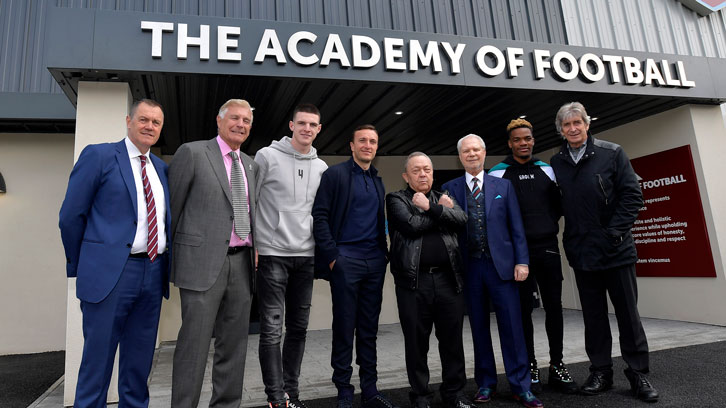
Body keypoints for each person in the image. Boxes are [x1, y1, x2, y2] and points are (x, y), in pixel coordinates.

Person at [59, 99, 170, 408]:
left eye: (156, 122)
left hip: (152, 272)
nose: (149, 126)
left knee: (138, 363)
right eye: (144, 119)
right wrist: (83, 264)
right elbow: (70, 216)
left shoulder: (161, 169)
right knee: (98, 363)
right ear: (128, 120)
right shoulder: (100, 155)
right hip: (110, 275)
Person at [550, 102, 658, 402]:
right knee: (594, 318)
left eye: (578, 123)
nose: (573, 128)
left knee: (628, 316)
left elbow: (633, 196)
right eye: (567, 125)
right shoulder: (556, 162)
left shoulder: (612, 153)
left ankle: (638, 374)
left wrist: (614, 234)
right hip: (582, 254)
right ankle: (601, 371)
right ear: (561, 130)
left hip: (616, 251)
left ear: (587, 124)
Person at [169, 99, 258, 408]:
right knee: (193, 347)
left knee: (234, 347)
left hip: (242, 265)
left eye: (246, 120)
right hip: (201, 266)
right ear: (219, 121)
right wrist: (170, 264)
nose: (241, 124)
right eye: (234, 118)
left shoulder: (250, 164)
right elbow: (173, 211)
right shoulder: (193, 153)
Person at [442, 134, 542, 408]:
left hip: (502, 268)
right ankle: (485, 383)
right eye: (466, 151)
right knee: (478, 329)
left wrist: (522, 261)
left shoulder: (504, 186)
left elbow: (516, 226)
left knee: (512, 327)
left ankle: (521, 386)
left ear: (484, 153)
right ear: (460, 156)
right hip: (470, 268)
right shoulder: (448, 189)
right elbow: (447, 230)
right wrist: (443, 211)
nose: (471, 154)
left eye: (476, 150)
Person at [488, 119, 577, 394]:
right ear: (510, 144)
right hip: (519, 255)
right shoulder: (497, 173)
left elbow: (560, 206)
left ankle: (558, 365)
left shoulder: (547, 169)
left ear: (533, 140)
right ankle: (530, 366)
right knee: (523, 312)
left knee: (554, 308)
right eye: (517, 140)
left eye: (527, 138)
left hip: (548, 247)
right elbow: (494, 214)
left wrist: (545, 223)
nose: (523, 143)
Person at [312, 125, 397, 408]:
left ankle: (370, 390)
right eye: (362, 140)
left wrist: (383, 255)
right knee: (345, 327)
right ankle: (344, 391)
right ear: (351, 145)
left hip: (374, 262)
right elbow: (320, 216)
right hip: (345, 261)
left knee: (369, 329)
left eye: (373, 141)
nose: (368, 145)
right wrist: (334, 256)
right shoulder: (334, 175)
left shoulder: (377, 180)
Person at [254, 103, 328, 408]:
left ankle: (291, 394)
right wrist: (253, 245)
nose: (307, 129)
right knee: (271, 329)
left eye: (313, 124)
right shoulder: (266, 156)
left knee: (298, 329)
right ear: (291, 125)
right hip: (272, 254)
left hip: (306, 257)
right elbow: (249, 201)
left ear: (319, 129)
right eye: (302, 123)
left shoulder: (322, 167)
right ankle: (275, 397)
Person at [386, 152, 473, 408]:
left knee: (452, 342)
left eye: (427, 169)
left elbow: (461, 219)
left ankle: (454, 394)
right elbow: (410, 225)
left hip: (449, 281)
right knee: (416, 343)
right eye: (416, 170)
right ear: (406, 176)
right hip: (414, 283)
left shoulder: (443, 197)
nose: (423, 174)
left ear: (432, 173)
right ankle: (421, 396)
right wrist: (439, 213)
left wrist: (430, 207)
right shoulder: (396, 199)